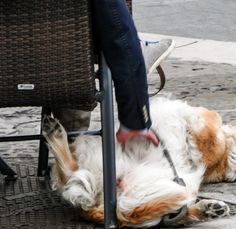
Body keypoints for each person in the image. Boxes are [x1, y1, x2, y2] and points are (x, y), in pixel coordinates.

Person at [54, 0, 175, 146]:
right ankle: (135, 49)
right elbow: (117, 30)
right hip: (63, 56)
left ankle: (74, 141)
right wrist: (134, 120)